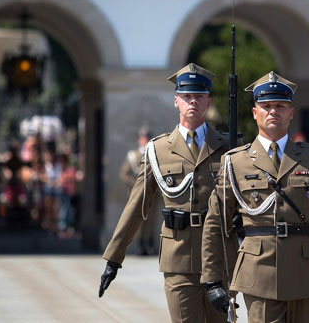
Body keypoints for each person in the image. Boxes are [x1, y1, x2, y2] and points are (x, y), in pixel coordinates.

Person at [201, 71, 309, 322]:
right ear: (255, 113)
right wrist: (212, 279)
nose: (273, 112)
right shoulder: (236, 161)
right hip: (259, 273)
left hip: (304, 273)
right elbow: (215, 224)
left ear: (291, 112)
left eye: (280, 106)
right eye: (266, 106)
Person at [99, 63, 237, 323]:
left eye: (199, 96)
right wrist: (113, 258)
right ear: (176, 101)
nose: (192, 101)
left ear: (208, 101)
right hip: (179, 259)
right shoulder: (158, 150)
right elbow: (136, 205)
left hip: (220, 257)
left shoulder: (229, 148)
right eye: (186, 96)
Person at [118, 126, 160, 255]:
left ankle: (150, 244)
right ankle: (141, 245)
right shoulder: (132, 156)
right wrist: (136, 184)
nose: (145, 141)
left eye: (147, 138)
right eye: (143, 138)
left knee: (152, 220)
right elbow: (123, 174)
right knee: (139, 221)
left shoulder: (155, 154)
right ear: (139, 140)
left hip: (152, 192)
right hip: (138, 193)